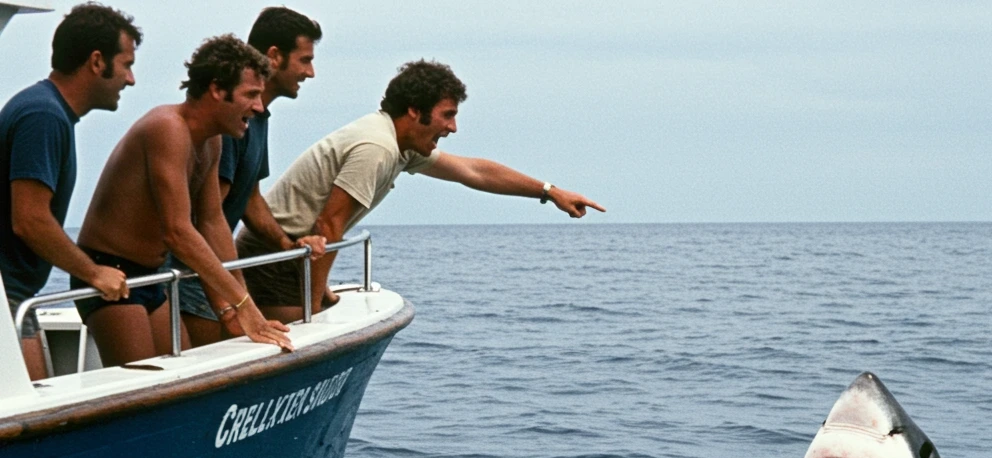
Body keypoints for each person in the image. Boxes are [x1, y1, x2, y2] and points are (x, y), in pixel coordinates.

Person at [239, 59, 604, 320]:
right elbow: (329, 226)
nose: (453, 127)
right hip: (277, 257)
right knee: (295, 342)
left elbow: (472, 171)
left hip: (296, 256)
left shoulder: (401, 144)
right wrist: (314, 303)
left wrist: (549, 191)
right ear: (415, 111)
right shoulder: (378, 147)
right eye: (447, 115)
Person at [73, 35, 292, 367]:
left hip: (153, 276)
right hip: (110, 272)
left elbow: (211, 222)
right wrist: (243, 306)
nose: (259, 107)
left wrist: (235, 311)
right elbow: (179, 231)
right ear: (217, 89)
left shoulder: (213, 140)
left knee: (184, 371)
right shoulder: (167, 128)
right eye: (251, 94)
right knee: (146, 392)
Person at [0, 3, 139, 380]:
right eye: (126, 64)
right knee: (33, 417)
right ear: (97, 61)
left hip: (14, 296)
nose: (131, 79)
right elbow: (29, 219)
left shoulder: (48, 111)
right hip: (6, 296)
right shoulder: (43, 116)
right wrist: (94, 273)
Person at [180, 6, 326, 347]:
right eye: (304, 60)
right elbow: (208, 215)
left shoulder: (257, 117)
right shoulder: (232, 121)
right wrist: (239, 299)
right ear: (274, 56)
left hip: (215, 270)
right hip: (194, 273)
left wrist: (286, 244)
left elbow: (249, 197)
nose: (311, 72)